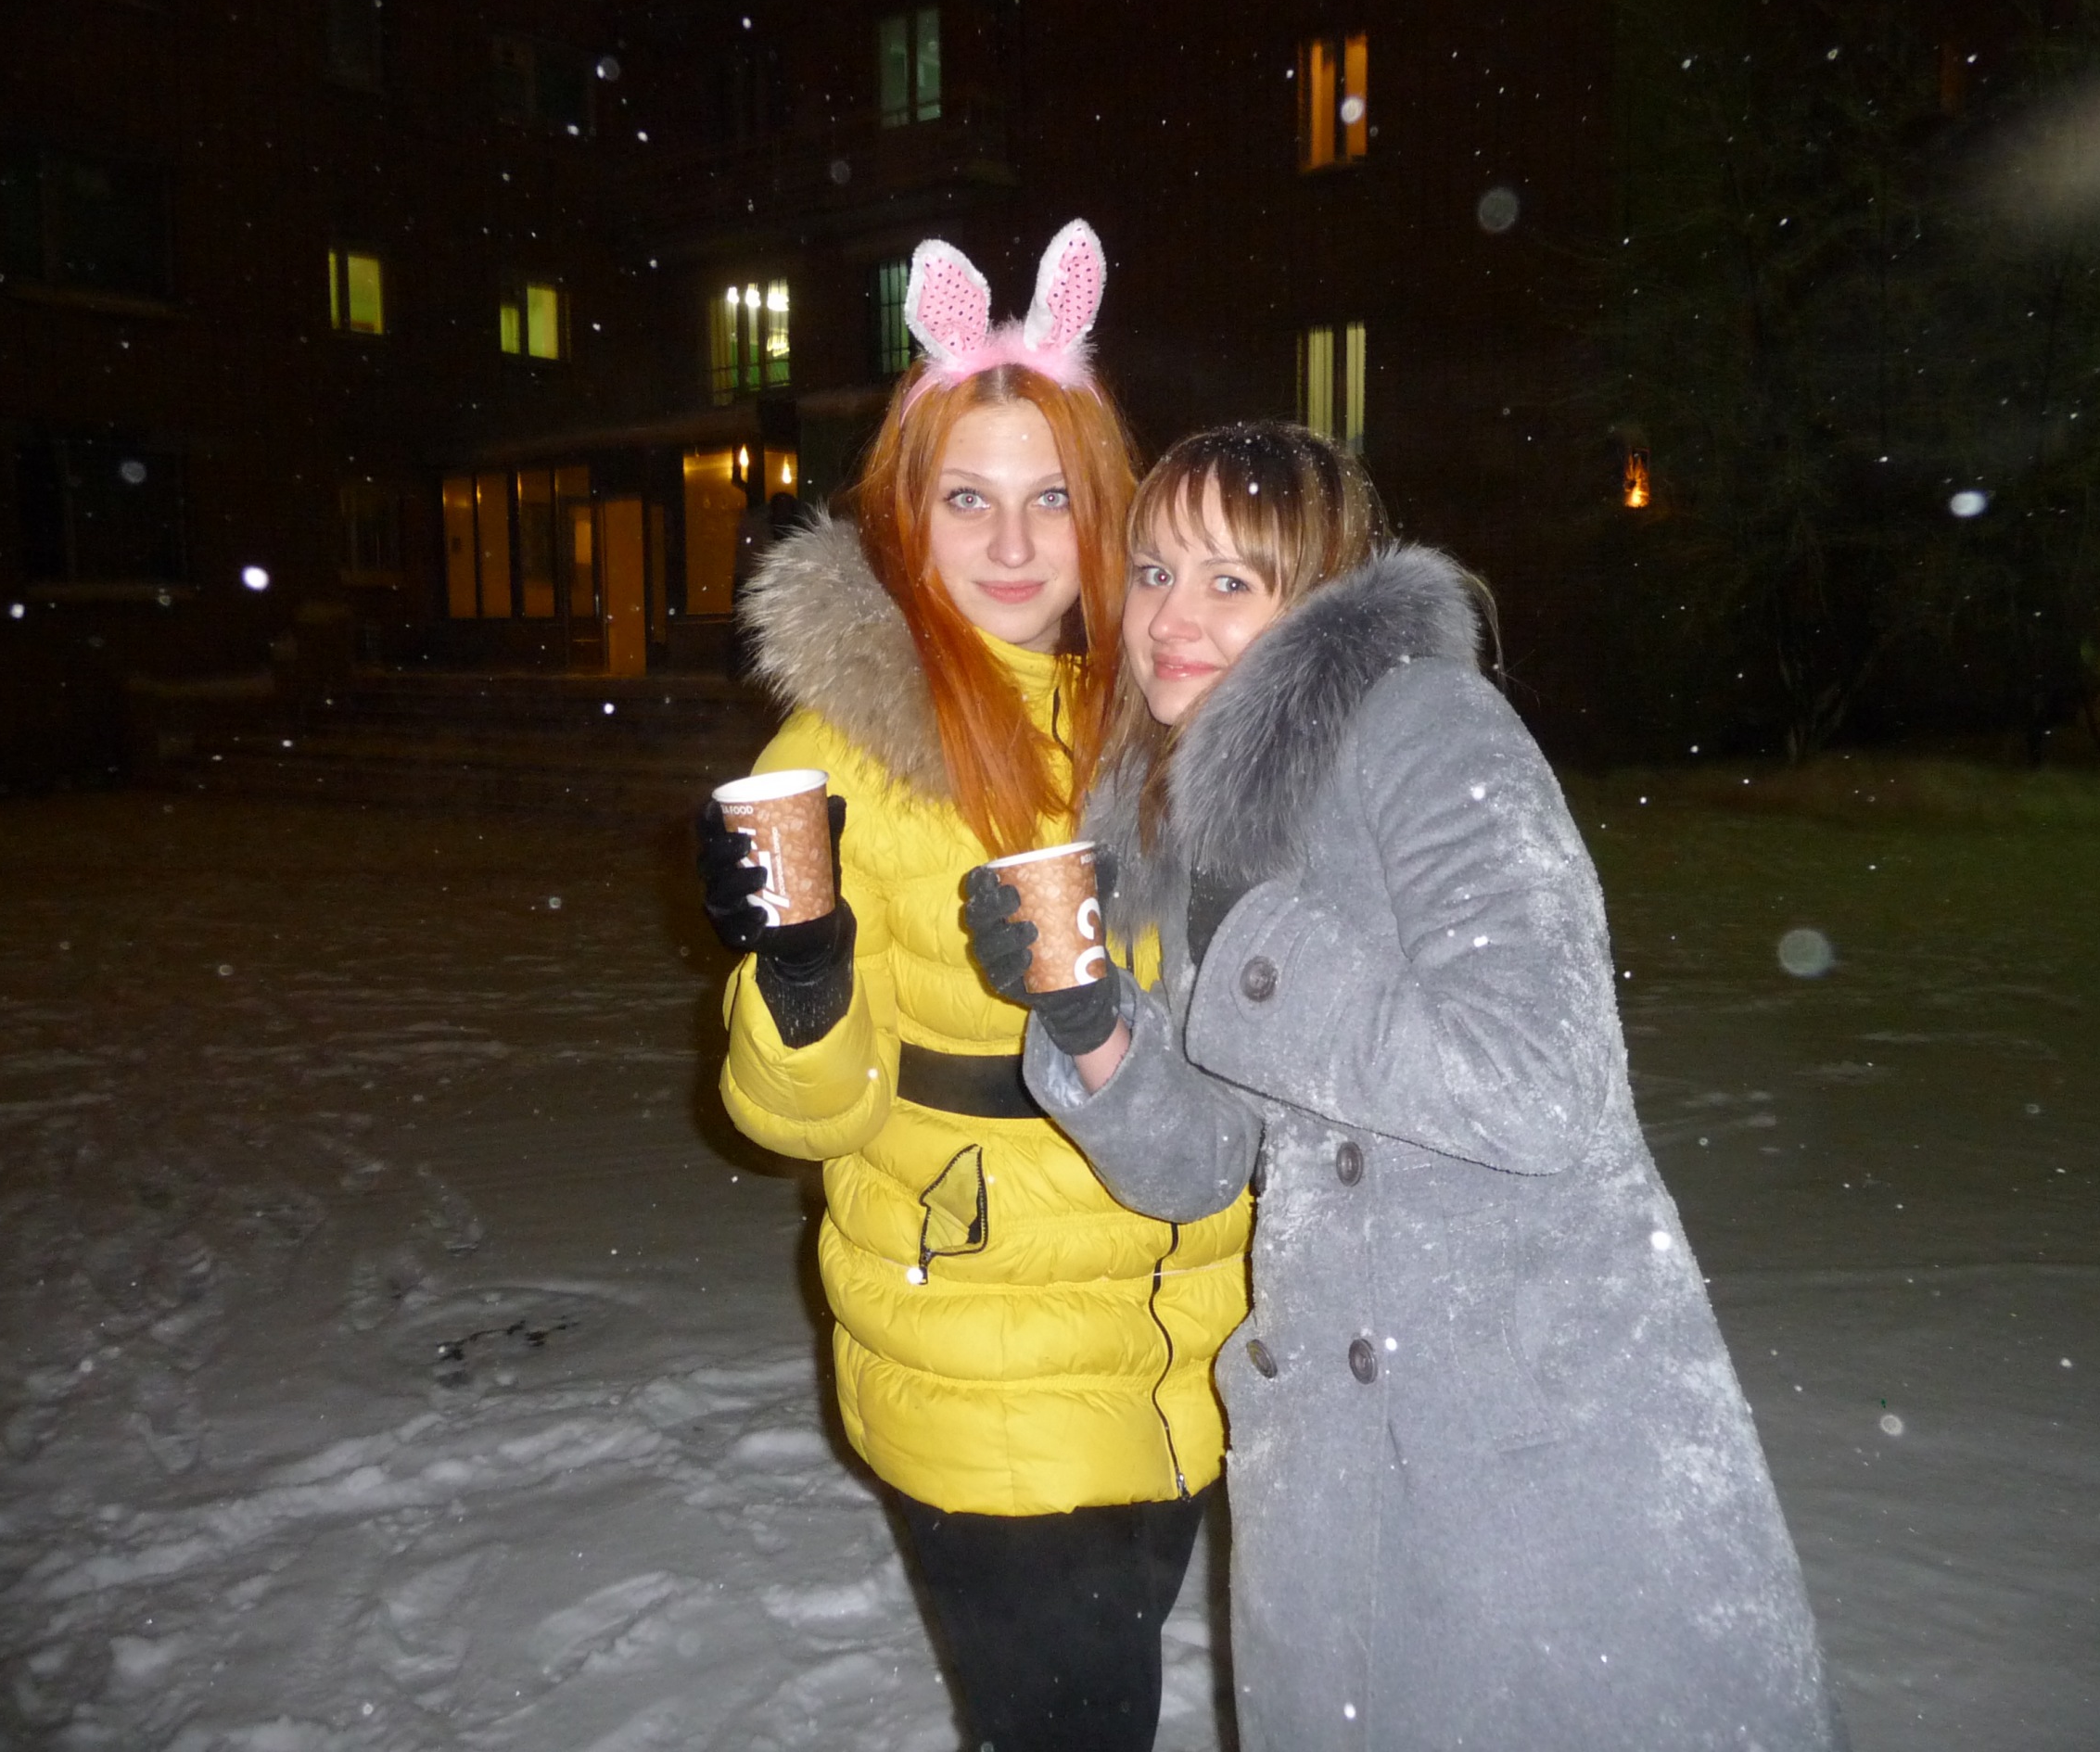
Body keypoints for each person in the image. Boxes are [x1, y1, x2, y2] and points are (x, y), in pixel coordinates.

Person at [965, 423, 1845, 1750]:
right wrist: (1090, 1019)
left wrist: (1254, 943)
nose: (1170, 620)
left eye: (1230, 580)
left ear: (1321, 596)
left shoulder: (1429, 725)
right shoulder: (1210, 803)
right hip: (1338, 1462)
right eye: (1152, 573)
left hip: (1531, 1446)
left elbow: (1541, 1079)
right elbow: (1205, 1165)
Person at [696, 225, 1251, 1752]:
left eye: (1051, 496)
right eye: (967, 498)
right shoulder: (841, 749)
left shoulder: (1159, 707)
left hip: (1183, 1324)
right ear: (906, 512)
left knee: (1108, 1700)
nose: (1012, 544)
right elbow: (797, 1119)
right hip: (982, 1336)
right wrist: (801, 981)